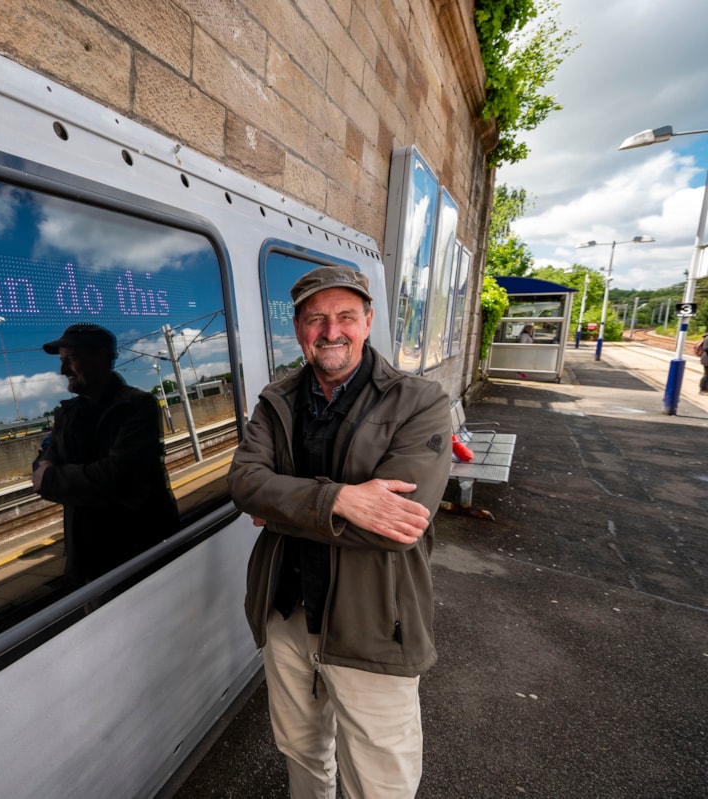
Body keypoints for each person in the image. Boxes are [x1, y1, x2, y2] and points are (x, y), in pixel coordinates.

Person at [228, 265, 452, 798]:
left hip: (374, 623)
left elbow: (398, 524)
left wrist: (282, 508)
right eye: (316, 319)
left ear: (368, 322)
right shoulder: (276, 401)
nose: (332, 331)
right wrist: (345, 499)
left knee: (380, 783)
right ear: (299, 329)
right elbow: (244, 483)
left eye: (346, 316)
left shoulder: (419, 401)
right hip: (287, 614)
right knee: (302, 755)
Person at [32, 323, 180, 584]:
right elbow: (39, 467)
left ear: (101, 356)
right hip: (86, 561)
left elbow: (118, 476)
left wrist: (54, 478)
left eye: (71, 359)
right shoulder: (65, 414)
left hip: (141, 553)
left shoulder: (138, 406)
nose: (63, 370)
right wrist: (92, 484)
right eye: (62, 361)